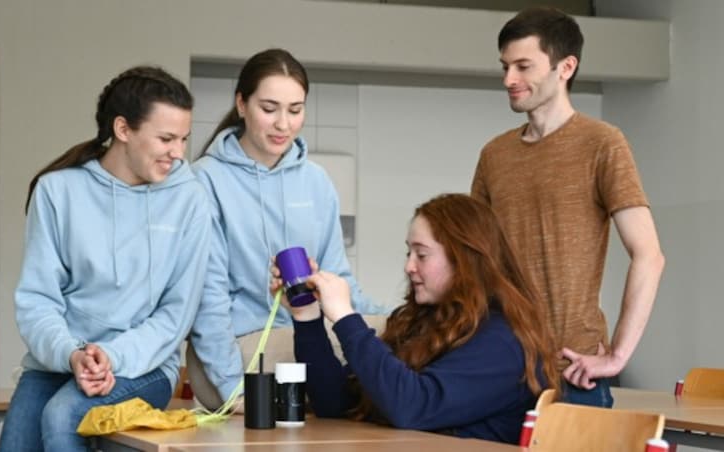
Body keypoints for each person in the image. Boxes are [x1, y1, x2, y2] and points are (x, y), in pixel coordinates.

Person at [0, 66, 211, 451]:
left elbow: (175, 315)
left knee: (64, 414)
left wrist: (110, 355)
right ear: (123, 129)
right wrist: (73, 354)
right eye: (166, 138)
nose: (178, 153)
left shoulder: (189, 199)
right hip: (59, 360)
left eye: (183, 139)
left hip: (144, 367)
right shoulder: (57, 191)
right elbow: (37, 301)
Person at [471, 7, 665, 407]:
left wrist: (618, 355)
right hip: (500, 367)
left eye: (523, 66)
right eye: (505, 66)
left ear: (566, 67)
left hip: (572, 370)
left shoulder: (602, 144)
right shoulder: (494, 154)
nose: (509, 79)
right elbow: (473, 257)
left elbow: (649, 256)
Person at [188, 48, 386, 409]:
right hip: (239, 350)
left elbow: (339, 278)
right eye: (269, 108)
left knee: (400, 333)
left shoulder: (316, 181)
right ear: (241, 104)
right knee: (369, 356)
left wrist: (397, 319)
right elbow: (207, 302)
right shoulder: (205, 181)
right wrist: (236, 390)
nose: (284, 124)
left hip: (304, 335)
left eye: (295, 110)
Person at [280, 193, 558, 444]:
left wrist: (345, 316)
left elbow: (412, 407)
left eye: (421, 255)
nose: (408, 266)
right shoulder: (425, 322)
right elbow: (336, 403)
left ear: (464, 259)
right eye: (408, 252)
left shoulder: (503, 342)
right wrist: (307, 317)